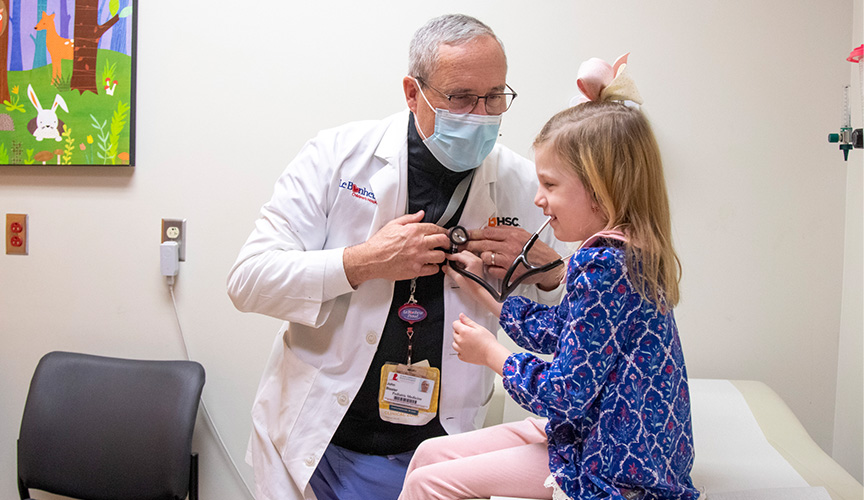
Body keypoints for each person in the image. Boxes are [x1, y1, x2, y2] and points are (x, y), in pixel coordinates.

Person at [227, 13, 570, 500]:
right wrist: (362, 262)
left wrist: (552, 274)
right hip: (319, 442)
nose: (481, 115)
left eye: (495, 96)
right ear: (413, 92)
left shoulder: (522, 185)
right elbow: (248, 280)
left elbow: (578, 337)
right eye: (461, 98)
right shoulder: (337, 157)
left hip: (437, 458)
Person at [399, 56, 700, 500]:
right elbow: (569, 334)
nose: (538, 200)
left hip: (613, 465)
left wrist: (493, 355)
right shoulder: (630, 254)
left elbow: (564, 393)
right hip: (614, 437)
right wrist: (485, 290)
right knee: (428, 454)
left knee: (429, 480)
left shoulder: (601, 267)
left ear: (602, 187)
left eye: (550, 185)